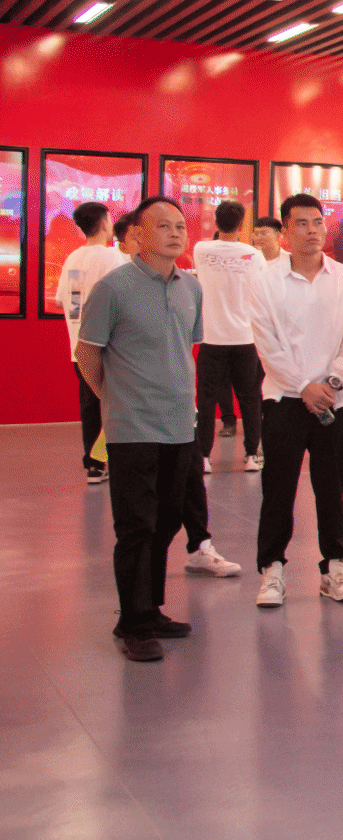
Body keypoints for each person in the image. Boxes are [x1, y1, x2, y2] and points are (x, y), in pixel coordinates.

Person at [75, 198, 213, 661]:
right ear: (137, 233)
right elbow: (87, 353)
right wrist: (110, 398)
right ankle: (134, 624)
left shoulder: (191, 287)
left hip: (179, 425)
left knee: (167, 520)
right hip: (131, 427)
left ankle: (148, 610)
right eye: (163, 226)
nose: (175, 233)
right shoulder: (112, 288)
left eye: (180, 226)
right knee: (136, 526)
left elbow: (186, 347)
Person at [248, 192, 343, 607]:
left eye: (318, 222)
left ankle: (334, 568)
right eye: (302, 223)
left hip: (334, 401)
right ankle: (272, 570)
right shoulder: (265, 281)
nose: (313, 231)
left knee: (332, 488)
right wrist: (303, 386)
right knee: (278, 489)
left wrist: (329, 384)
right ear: (285, 230)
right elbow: (267, 345)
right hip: (284, 400)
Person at [192, 200, 267, 473]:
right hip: (245, 338)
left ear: (216, 222)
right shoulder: (254, 255)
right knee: (250, 398)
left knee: (206, 400)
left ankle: (203, 456)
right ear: (242, 224)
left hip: (211, 338)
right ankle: (252, 455)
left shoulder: (201, 249)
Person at [54, 200, 124, 485]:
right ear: (105, 223)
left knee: (90, 405)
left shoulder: (73, 258)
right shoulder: (114, 258)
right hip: (111, 347)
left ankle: (94, 465)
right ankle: (117, 461)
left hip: (80, 347)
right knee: (117, 406)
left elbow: (64, 302)